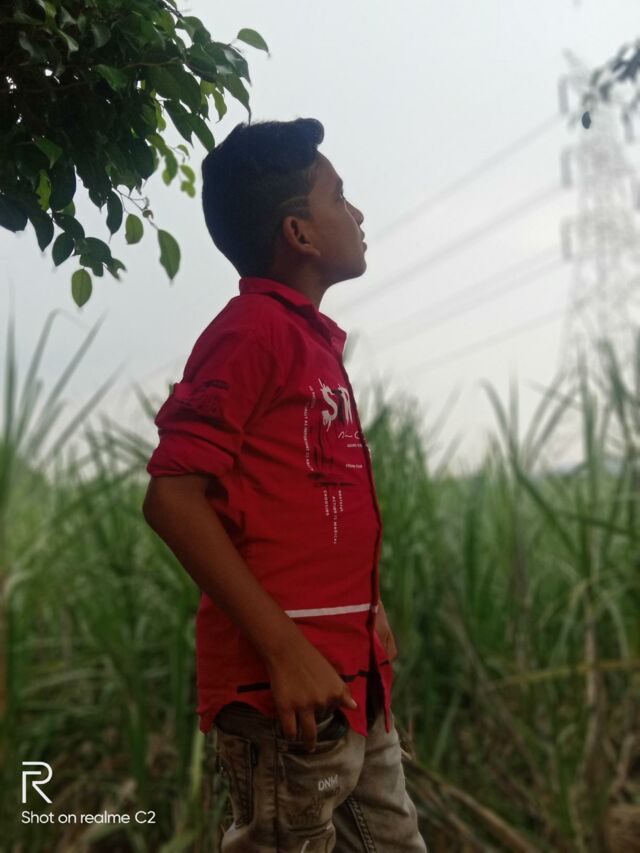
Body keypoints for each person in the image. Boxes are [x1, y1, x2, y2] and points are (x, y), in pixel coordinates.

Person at [142, 117, 428, 852]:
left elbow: (309, 503)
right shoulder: (252, 332)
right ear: (299, 234)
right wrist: (285, 650)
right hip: (286, 699)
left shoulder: (311, 342)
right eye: (339, 196)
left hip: (353, 683)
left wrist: (367, 612)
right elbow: (172, 496)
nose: (357, 213)